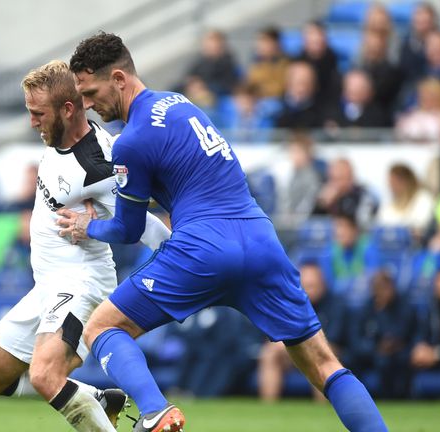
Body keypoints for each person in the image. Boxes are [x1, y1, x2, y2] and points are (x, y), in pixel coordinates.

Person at [60, 32, 387, 432]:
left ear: (119, 78)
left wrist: (88, 225)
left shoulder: (132, 140)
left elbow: (128, 230)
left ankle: (154, 413)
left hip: (204, 246)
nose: (89, 104)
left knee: (103, 327)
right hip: (261, 240)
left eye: (91, 92)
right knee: (323, 363)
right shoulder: (183, 104)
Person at [0, 60, 172, 432]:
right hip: (46, 286)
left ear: (67, 109)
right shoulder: (58, 138)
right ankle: (93, 398)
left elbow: (141, 224)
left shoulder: (101, 164)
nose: (32, 122)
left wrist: (178, 264)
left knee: (46, 375)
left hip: (81, 284)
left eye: (38, 113)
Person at [258, 263, 347, 401]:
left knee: (322, 354)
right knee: (270, 352)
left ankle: (322, 411)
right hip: (294, 352)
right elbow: (275, 334)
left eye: (312, 286)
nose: (307, 291)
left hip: (327, 353)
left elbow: (335, 339)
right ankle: (269, 409)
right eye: (304, 286)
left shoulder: (336, 304)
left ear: (322, 284)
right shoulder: (289, 302)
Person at [348, 271, 415, 398]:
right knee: (353, 360)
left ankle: (398, 398)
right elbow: (356, 339)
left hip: (399, 352)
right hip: (371, 351)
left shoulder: (405, 306)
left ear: (393, 287)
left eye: (385, 287)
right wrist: (374, 348)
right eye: (377, 288)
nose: (381, 292)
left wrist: (383, 312)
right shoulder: (367, 306)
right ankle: (358, 398)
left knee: (390, 361)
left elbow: (401, 333)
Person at [314, 158, 379, 228]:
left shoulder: (362, 195)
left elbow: (363, 222)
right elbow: (311, 222)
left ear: (351, 177)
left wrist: (340, 200)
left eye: (340, 178)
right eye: (332, 179)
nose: (336, 184)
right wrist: (322, 205)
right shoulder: (322, 194)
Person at [377, 163, 435, 239]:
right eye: (390, 182)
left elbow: (420, 228)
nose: (390, 185)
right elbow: (380, 225)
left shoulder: (423, 198)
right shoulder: (389, 204)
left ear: (405, 181)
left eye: (394, 181)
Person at [324, 69, 390, 132]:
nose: (356, 94)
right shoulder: (332, 111)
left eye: (361, 89)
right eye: (352, 90)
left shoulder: (377, 113)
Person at [179, 29, 240, 98]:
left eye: (214, 44)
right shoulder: (199, 61)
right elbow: (187, 78)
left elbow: (226, 85)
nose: (211, 47)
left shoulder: (227, 63)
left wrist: (203, 88)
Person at [395, 77, 440, 143]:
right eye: (425, 95)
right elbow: (401, 135)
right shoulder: (411, 116)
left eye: (432, 95)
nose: (428, 99)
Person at [275, 61, 324, 129]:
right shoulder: (274, 110)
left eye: (307, 84)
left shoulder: (322, 113)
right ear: (288, 83)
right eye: (299, 83)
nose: (303, 89)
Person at [245, 26, 289, 99]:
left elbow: (280, 88)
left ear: (275, 43)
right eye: (259, 41)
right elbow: (249, 85)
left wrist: (259, 91)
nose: (259, 45)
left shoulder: (286, 64)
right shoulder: (256, 63)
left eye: (264, 41)